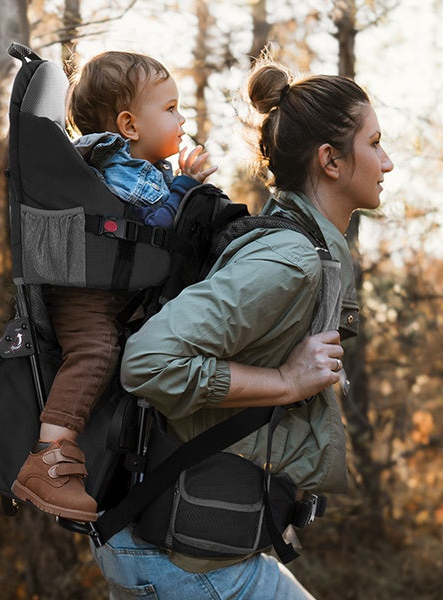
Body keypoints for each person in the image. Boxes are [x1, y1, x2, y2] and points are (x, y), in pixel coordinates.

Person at [92, 58, 394, 599]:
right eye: (375, 143)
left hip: (185, 551)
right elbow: (148, 361)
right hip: (186, 566)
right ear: (330, 160)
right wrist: (287, 381)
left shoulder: (304, 246)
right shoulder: (289, 259)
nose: (387, 162)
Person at [9, 51, 217, 522]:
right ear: (129, 125)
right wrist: (186, 186)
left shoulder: (133, 166)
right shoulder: (121, 168)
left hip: (99, 287)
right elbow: (152, 227)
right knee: (96, 353)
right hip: (86, 294)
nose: (182, 118)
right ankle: (49, 462)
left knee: (85, 358)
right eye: (169, 109)